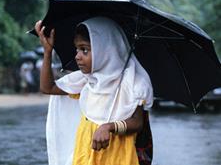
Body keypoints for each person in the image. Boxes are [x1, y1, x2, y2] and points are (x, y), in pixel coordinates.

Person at [35, 16, 153, 165]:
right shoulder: (87, 80)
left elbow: (137, 122)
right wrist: (47, 52)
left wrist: (109, 127)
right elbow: (48, 87)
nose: (77, 56)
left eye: (84, 50)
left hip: (118, 156)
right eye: (77, 49)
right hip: (86, 153)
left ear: (105, 49)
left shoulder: (134, 83)